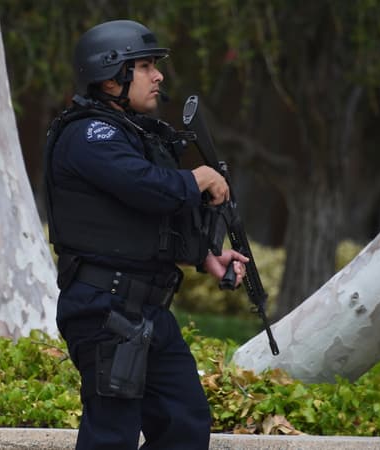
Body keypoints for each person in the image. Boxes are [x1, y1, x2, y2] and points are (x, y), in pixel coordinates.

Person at [44, 20, 249, 449]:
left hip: (148, 309)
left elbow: (150, 218)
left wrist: (206, 256)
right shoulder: (89, 133)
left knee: (184, 424)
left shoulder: (133, 133)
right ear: (109, 75)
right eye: (144, 66)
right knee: (111, 436)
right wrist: (197, 180)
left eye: (155, 66)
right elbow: (146, 186)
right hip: (105, 308)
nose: (158, 76)